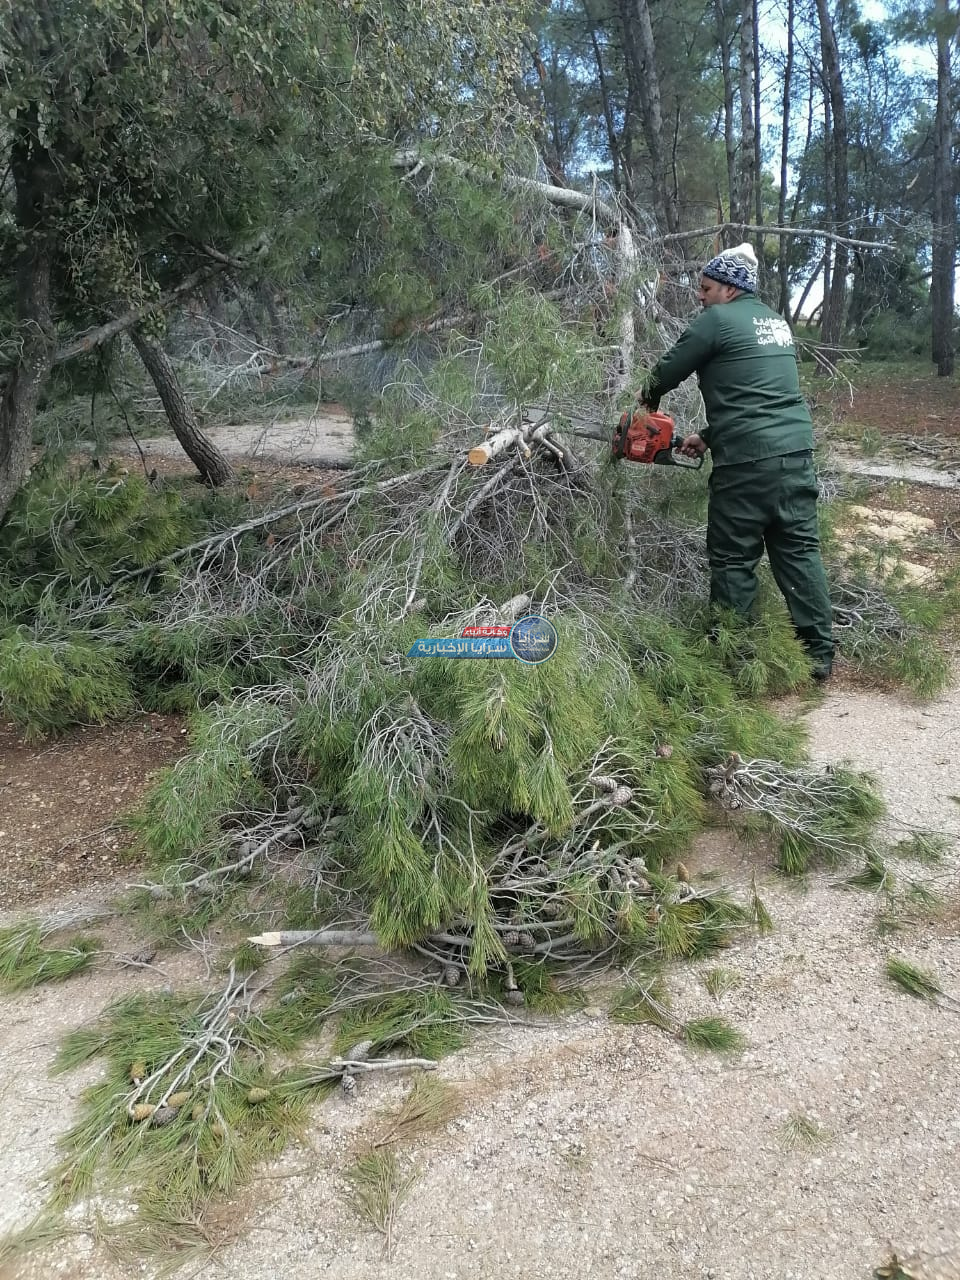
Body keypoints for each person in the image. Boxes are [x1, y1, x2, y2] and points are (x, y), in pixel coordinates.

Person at [639, 241, 835, 681]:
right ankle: (819, 657)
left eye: (706, 288)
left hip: (746, 464)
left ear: (729, 288)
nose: (700, 296)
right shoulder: (777, 323)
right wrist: (707, 437)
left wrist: (643, 407)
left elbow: (665, 372)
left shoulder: (717, 320)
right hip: (795, 454)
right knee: (800, 552)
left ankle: (736, 659)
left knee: (732, 558)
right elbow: (764, 396)